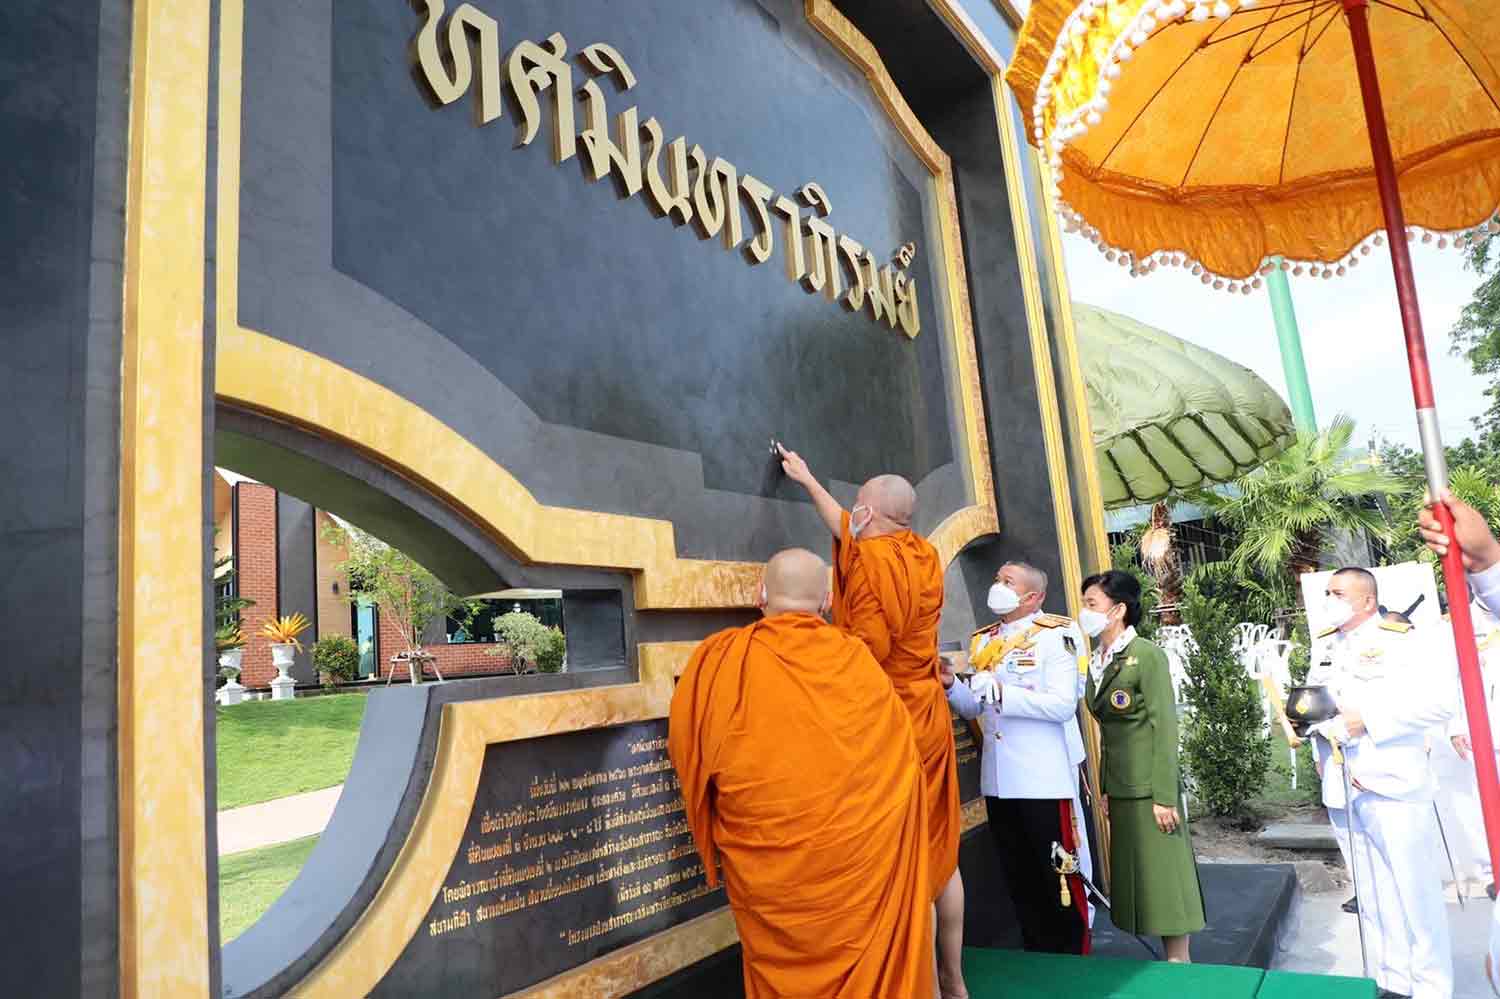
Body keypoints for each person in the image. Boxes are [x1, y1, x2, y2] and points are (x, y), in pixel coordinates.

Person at [668, 548, 934, 998]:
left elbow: (688, 748)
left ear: (761, 593)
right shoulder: (858, 661)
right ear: (828, 600)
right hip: (861, 862)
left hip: (771, 868)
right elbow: (902, 762)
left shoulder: (719, 660)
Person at [777, 445, 966, 999]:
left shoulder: (869, 566)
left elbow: (869, 649)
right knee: (941, 853)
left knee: (910, 864)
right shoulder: (923, 555)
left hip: (893, 717)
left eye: (858, 503)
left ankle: (926, 985)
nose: (850, 512)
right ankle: (954, 979)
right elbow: (849, 530)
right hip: (930, 708)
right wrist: (807, 478)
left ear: (874, 515)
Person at [1308, 566, 1454, 999]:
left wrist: (1369, 721)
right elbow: (1320, 705)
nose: (1328, 600)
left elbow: (1440, 704)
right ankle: (1393, 980)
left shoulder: (1404, 641)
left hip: (1392, 782)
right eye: (1328, 593)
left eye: (1337, 593)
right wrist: (1311, 736)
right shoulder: (1327, 646)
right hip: (1342, 785)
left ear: (1367, 600)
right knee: (1372, 894)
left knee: (1415, 894)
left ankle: (1431, 987)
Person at [941, 561, 1090, 954]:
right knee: (1019, 877)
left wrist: (1004, 693)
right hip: (1000, 779)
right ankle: (1037, 956)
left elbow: (1061, 705)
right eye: (997, 578)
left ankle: (1075, 961)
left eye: (1008, 581)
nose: (998, 586)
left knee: (1057, 876)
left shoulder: (1057, 634)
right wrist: (952, 685)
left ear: (1033, 596)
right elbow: (974, 708)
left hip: (1041, 778)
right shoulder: (984, 640)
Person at [1079, 569, 1204, 963]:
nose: (1085, 612)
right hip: (1121, 783)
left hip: (1151, 787)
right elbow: (1108, 732)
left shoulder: (1146, 655)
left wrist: (1164, 796)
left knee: (1167, 875)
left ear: (1117, 610)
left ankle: (1180, 962)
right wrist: (1103, 786)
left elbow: (1164, 728)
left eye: (1091, 604)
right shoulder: (1099, 659)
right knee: (1141, 876)